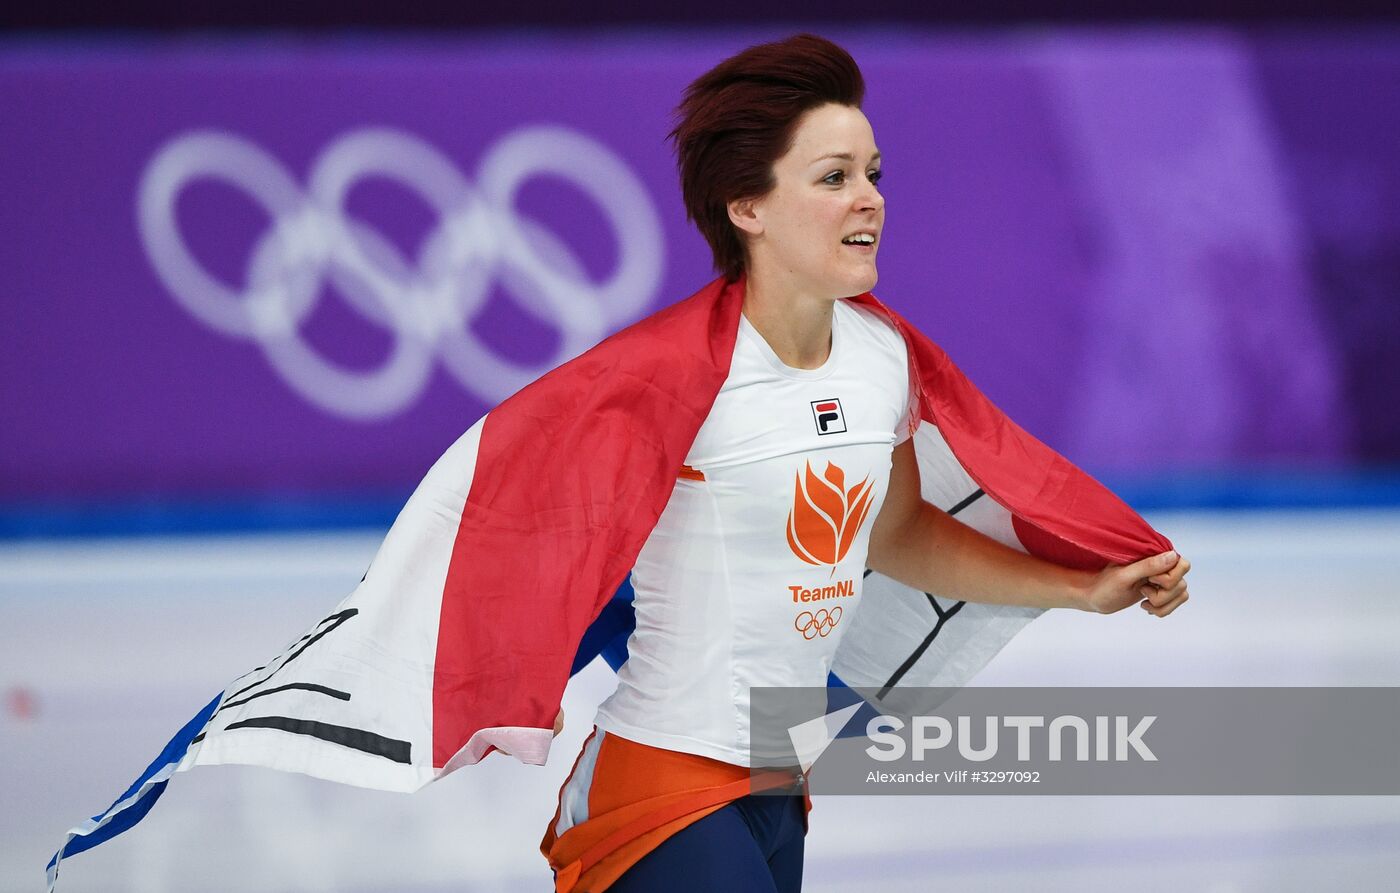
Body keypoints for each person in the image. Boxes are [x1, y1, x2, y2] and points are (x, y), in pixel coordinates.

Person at [539, 33, 1191, 893]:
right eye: (834, 178)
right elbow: (548, 548)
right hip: (664, 784)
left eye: (874, 174)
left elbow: (899, 534)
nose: (869, 201)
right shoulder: (671, 379)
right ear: (748, 207)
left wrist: (1081, 587)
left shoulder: (883, 357)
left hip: (781, 782)